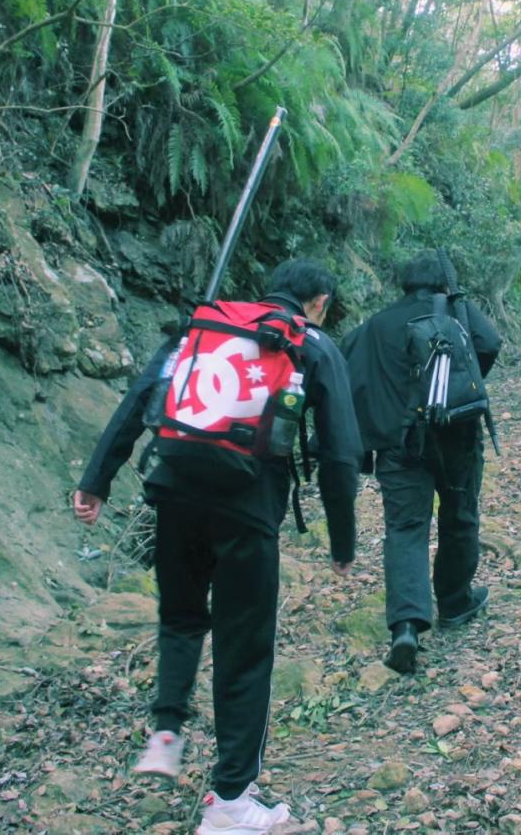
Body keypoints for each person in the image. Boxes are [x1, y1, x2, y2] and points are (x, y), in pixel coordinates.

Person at [73, 258, 360, 835]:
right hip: (247, 507)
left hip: (174, 492)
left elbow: (139, 399)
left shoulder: (208, 326)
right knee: (243, 648)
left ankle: (166, 734)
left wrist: (95, 480)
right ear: (319, 302)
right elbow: (341, 452)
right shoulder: (311, 344)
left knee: (180, 619)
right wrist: (343, 541)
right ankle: (230, 802)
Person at [342, 252, 502, 675]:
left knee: (406, 528)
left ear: (404, 282)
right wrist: (460, 387)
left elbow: (354, 378)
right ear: (445, 281)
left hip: (399, 443)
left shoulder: (376, 325)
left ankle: (406, 627)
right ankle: (454, 600)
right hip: (457, 433)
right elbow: (490, 344)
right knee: (460, 514)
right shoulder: (457, 311)